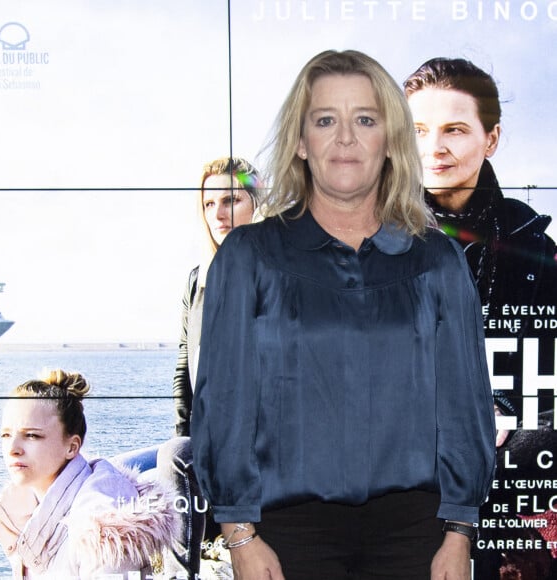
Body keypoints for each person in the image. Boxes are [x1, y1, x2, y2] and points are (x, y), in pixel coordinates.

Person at [191, 49, 496, 580]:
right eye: (326, 120)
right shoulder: (248, 257)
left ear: (390, 140)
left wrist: (459, 532)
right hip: (285, 539)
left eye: (366, 120)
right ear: (302, 141)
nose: (346, 138)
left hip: (416, 539)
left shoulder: (437, 259)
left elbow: (465, 404)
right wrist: (240, 535)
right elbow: (223, 403)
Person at [404, 58, 557, 420]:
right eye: (419, 131)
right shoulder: (363, 234)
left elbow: (548, 357)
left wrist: (504, 401)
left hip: (506, 442)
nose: (434, 147)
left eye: (454, 129)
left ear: (491, 139)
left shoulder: (531, 243)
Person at [158, 157, 263, 578]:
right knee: (176, 454)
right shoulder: (197, 280)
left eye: (232, 200)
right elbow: (185, 371)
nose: (218, 213)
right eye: (208, 203)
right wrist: (188, 437)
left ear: (256, 203)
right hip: (213, 443)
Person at [0, 369, 177, 579]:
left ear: (72, 447)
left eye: (32, 435)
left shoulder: (103, 527)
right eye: (6, 434)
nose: (12, 448)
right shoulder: (21, 511)